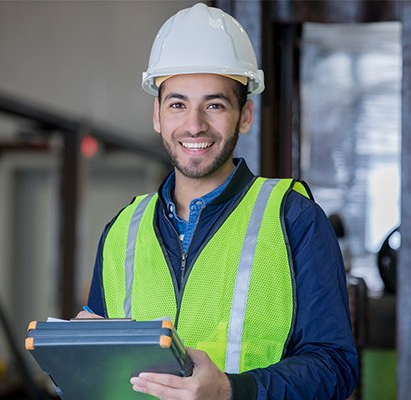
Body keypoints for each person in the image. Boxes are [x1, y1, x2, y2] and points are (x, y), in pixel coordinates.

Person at [77, 3, 358, 399]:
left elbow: (335, 368)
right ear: (156, 114)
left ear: (245, 115)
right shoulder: (122, 230)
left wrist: (231, 390)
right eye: (177, 104)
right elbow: (102, 382)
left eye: (214, 104)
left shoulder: (294, 219)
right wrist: (78, 357)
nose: (194, 124)